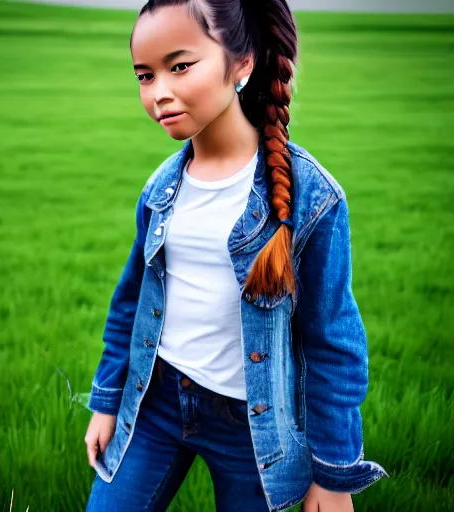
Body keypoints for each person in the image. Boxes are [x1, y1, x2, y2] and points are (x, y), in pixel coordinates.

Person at [83, 1, 390, 511]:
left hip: (253, 427)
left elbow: (333, 342)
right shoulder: (161, 188)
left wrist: (334, 476)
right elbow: (130, 302)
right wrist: (108, 402)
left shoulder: (311, 198)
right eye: (144, 75)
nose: (160, 93)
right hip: (155, 403)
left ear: (242, 64)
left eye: (180, 66)